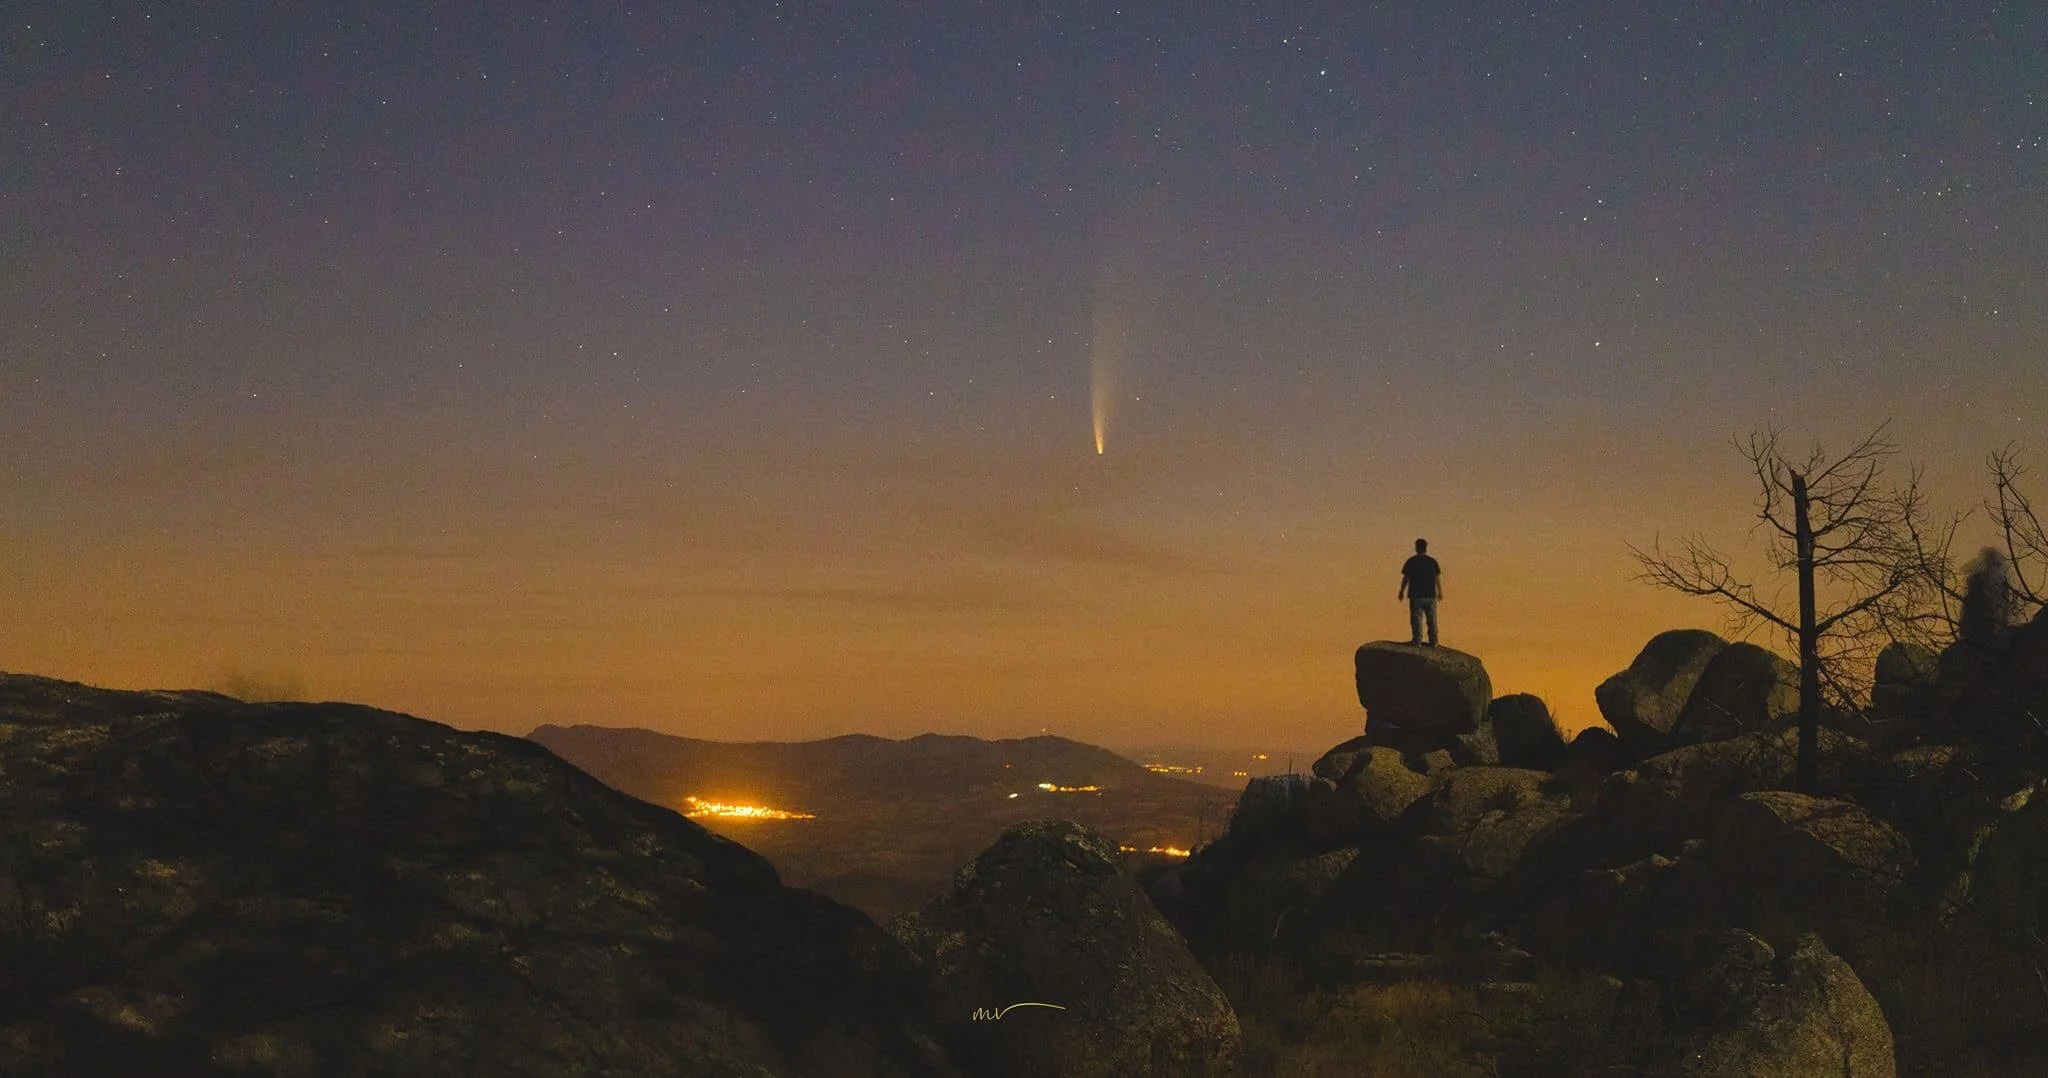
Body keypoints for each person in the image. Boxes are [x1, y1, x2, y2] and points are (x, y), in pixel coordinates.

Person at [1397, 538, 1443, 646]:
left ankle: (1417, 641)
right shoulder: (1432, 561)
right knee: (1432, 619)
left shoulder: (1411, 561)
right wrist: (1440, 592)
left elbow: (1406, 578)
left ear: (1416, 548)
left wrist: (1401, 591)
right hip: (1430, 595)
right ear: (1426, 548)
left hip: (1416, 595)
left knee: (1416, 618)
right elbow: (1437, 578)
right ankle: (1434, 641)